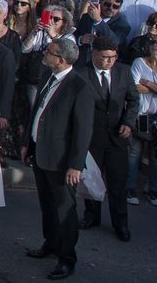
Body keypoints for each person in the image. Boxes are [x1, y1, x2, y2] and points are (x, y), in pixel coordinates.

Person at [26, 38, 94, 279]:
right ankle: (50, 243)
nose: (45, 54)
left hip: (61, 160)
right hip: (41, 153)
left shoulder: (79, 87)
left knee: (64, 210)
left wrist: (75, 165)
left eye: (50, 52)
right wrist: (28, 143)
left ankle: (67, 258)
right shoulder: (48, 76)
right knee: (47, 206)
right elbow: (38, 111)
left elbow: (83, 130)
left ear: (62, 60)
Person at [76, 35, 138, 239]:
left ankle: (121, 223)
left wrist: (128, 123)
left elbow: (133, 100)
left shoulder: (124, 71)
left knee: (117, 182)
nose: (109, 61)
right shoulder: (82, 73)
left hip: (117, 136)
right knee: (92, 180)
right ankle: (91, 215)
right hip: (92, 136)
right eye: (105, 57)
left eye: (113, 57)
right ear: (94, 54)